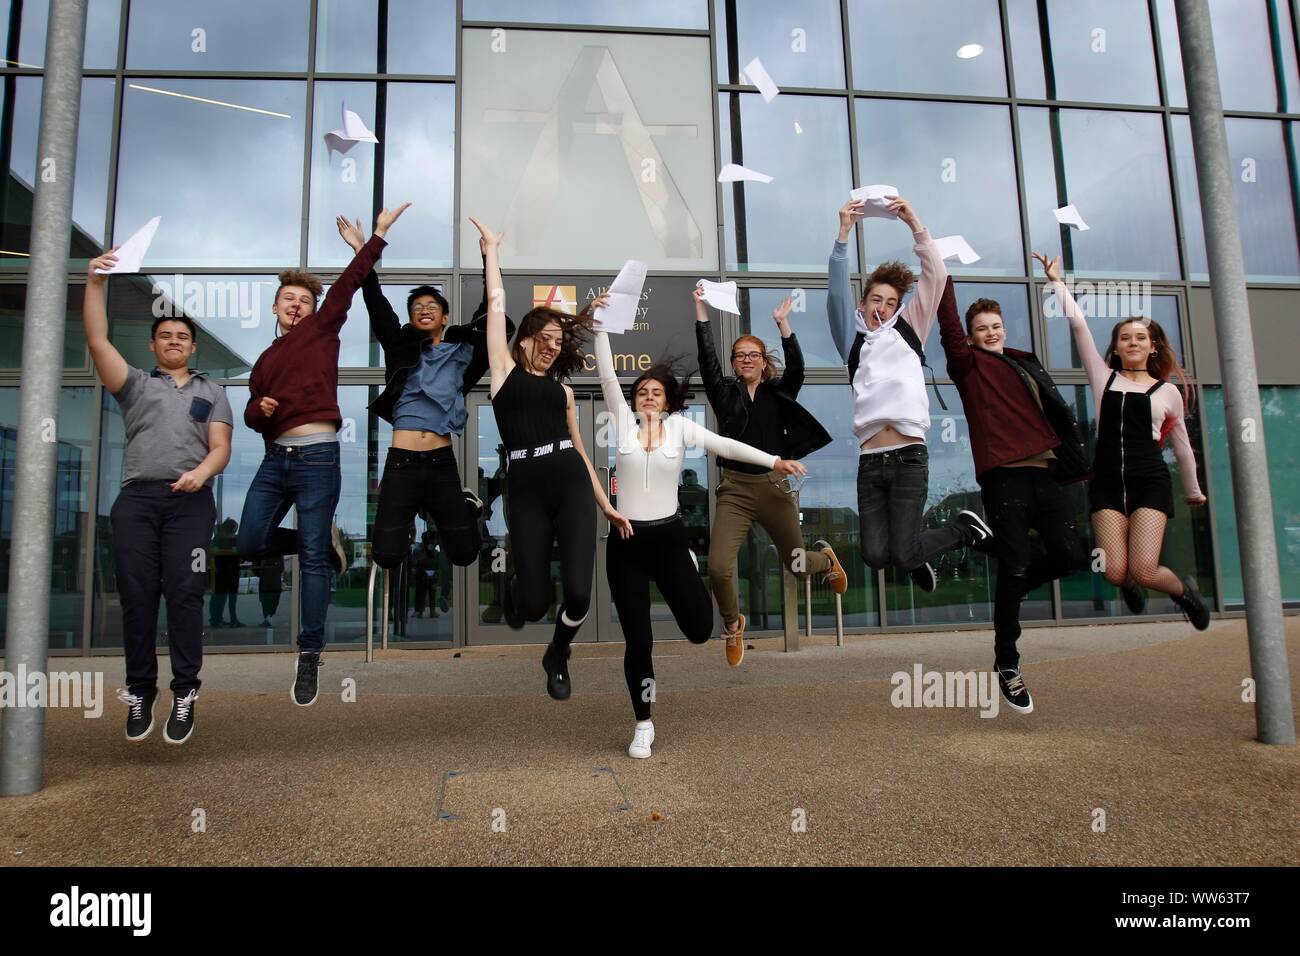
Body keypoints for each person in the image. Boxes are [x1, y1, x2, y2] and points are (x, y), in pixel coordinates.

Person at [594, 306, 806, 758]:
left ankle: (693, 573)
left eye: (656, 392)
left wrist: (774, 461)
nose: (648, 397)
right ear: (633, 401)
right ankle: (644, 723)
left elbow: (727, 445)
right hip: (627, 543)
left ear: (668, 401)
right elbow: (609, 375)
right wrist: (599, 325)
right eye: (642, 392)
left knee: (697, 629)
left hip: (669, 540)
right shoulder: (622, 425)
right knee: (639, 639)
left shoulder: (680, 428)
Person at [236, 203, 410, 707]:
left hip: (317, 457)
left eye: (303, 301)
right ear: (274, 308)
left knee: (311, 560)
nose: (296, 306)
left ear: (313, 310)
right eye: (287, 300)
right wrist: (259, 408)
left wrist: (372, 239)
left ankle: (309, 655)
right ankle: (323, 538)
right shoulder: (264, 361)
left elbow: (347, 285)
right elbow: (252, 416)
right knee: (248, 540)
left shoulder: (321, 330)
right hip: (276, 461)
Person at [470, 216, 631, 700]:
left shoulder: (562, 391)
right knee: (535, 602)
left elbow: (581, 452)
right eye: (544, 341)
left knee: (580, 592)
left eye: (558, 343)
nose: (551, 349)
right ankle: (519, 591)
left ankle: (558, 652)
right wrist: (492, 252)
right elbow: (496, 306)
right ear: (524, 340)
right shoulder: (502, 372)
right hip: (525, 487)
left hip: (570, 483)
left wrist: (604, 502)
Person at [84, 248, 233, 745]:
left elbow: (221, 448)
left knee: (187, 594)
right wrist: (95, 281)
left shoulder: (213, 391)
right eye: (166, 336)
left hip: (190, 503)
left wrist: (200, 474)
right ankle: (141, 691)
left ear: (193, 348)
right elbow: (96, 338)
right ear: (153, 346)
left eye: (183, 337)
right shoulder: (135, 386)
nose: (175, 341)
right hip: (138, 502)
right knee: (138, 597)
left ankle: (185, 692)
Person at [936, 275, 1090, 713]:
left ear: (1004, 327)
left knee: (1071, 556)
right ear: (972, 335)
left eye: (995, 325)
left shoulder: (1025, 362)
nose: (991, 332)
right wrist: (941, 270)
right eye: (982, 328)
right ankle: (1008, 665)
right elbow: (947, 324)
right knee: (1016, 565)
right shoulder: (968, 366)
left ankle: (980, 539)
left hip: (1045, 473)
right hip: (1005, 476)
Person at [1035, 252, 1210, 628]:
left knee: (1145, 570)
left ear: (1153, 347)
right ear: (1115, 348)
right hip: (1108, 482)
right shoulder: (1104, 379)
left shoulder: (1168, 393)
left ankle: (1184, 592)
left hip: (1150, 482)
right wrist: (1056, 282)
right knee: (1115, 572)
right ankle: (1128, 583)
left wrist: (1193, 490)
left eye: (1141, 338)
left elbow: (1181, 446)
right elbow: (1079, 326)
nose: (1133, 343)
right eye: (1125, 338)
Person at [827, 197, 993, 593]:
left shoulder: (909, 330)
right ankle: (914, 554)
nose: (881, 309)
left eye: (890, 303)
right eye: (875, 301)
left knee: (901, 554)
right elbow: (834, 295)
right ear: (863, 302)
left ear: (899, 307)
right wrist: (843, 235)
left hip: (907, 458)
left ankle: (962, 530)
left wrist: (914, 223)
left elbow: (935, 276)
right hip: (870, 462)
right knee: (873, 555)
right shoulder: (851, 343)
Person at [338, 220, 515, 584]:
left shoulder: (463, 352)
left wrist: (489, 256)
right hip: (401, 462)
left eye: (431, 305)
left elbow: (492, 310)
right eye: (417, 305)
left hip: (440, 463)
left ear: (445, 316)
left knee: (466, 553)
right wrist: (362, 249)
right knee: (386, 555)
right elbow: (375, 301)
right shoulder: (398, 344)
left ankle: (467, 502)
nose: (423, 309)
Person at [695, 289, 847, 666]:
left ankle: (826, 562)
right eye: (740, 356)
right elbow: (707, 360)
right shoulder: (723, 394)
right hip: (735, 490)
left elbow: (797, 369)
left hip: (775, 489)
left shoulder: (779, 393)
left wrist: (784, 326)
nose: (747, 360)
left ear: (764, 363)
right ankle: (733, 626)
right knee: (717, 566)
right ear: (735, 364)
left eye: (753, 355)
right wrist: (701, 312)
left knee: (796, 564)